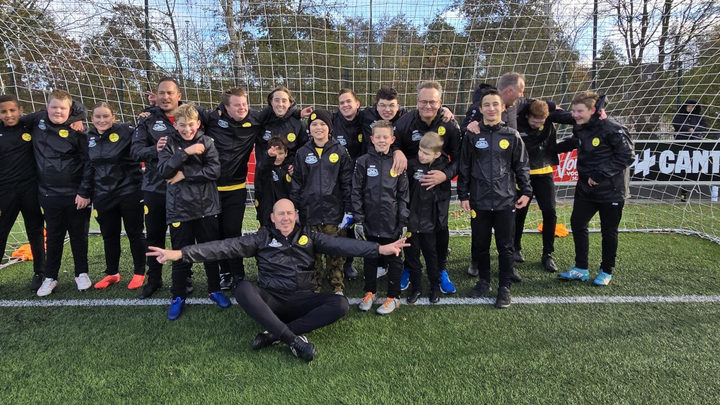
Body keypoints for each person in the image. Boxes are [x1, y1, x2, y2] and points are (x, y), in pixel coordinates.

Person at [146, 198, 409, 362]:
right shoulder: (261, 238)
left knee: (340, 305)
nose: (285, 218)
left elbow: (344, 245)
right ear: (272, 218)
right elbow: (223, 247)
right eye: (280, 214)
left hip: (304, 299)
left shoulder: (310, 236)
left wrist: (379, 249)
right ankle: (293, 340)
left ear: (296, 216)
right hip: (272, 301)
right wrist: (181, 253)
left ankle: (274, 335)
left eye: (289, 213)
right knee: (243, 288)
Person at [457, 88, 531, 308]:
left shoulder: (512, 135)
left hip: (505, 201)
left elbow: (522, 166)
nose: (491, 108)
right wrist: (463, 194)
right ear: (480, 109)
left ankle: (504, 288)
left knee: (505, 246)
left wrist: (526, 191)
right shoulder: (472, 135)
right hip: (479, 201)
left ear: (502, 107)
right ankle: (484, 281)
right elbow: (465, 166)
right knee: (480, 245)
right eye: (486, 105)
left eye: (495, 104)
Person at [556, 91, 634, 286]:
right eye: (574, 111)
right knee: (577, 223)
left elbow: (627, 155)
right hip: (586, 188)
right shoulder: (581, 126)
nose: (575, 115)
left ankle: (606, 271)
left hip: (611, 189)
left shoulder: (612, 128)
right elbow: (576, 141)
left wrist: (600, 174)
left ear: (592, 110)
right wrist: (552, 148)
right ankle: (581, 268)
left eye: (579, 111)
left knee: (609, 231)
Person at [157, 104, 227, 320]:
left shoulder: (207, 142)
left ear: (198, 124)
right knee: (180, 254)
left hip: (207, 207)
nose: (187, 129)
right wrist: (185, 152)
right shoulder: (169, 143)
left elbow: (214, 171)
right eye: (182, 125)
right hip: (179, 209)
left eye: (190, 124)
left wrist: (185, 174)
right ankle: (178, 296)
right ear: (175, 125)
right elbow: (164, 170)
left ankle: (214, 289)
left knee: (210, 251)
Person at [391, 80, 461, 295]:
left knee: (440, 227)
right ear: (417, 101)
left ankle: (440, 269)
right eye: (423, 101)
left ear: (440, 102)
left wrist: (445, 175)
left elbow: (460, 157)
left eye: (432, 102)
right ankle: (408, 268)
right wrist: (397, 151)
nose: (427, 106)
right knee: (410, 229)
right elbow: (393, 142)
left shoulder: (450, 124)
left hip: (439, 189)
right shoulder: (405, 123)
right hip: (412, 188)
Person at [26, 90, 92, 297]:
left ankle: (81, 273)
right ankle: (50, 277)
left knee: (79, 236)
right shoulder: (36, 121)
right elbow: (13, 119)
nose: (57, 111)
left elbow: (89, 162)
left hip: (76, 194)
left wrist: (84, 192)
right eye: (54, 107)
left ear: (70, 110)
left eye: (62, 108)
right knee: (54, 237)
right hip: (48, 193)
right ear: (46, 108)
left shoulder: (78, 129)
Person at [196, 88, 264, 290]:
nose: (242, 108)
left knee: (233, 233)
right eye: (237, 105)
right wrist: (152, 110)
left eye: (244, 104)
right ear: (226, 107)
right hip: (210, 188)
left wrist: (298, 112)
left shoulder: (256, 119)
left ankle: (238, 274)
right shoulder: (212, 118)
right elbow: (189, 111)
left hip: (236, 188)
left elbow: (279, 112)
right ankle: (224, 272)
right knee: (214, 234)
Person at [290, 110, 353, 294]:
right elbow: (297, 183)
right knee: (312, 254)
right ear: (309, 128)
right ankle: (315, 287)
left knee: (335, 254)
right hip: (309, 213)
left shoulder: (340, 151)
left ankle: (337, 287)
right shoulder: (302, 152)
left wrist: (348, 210)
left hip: (334, 213)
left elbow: (347, 183)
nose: (318, 128)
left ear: (330, 127)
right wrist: (295, 209)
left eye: (322, 124)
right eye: (314, 124)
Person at [131, 77, 183, 299]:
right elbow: (135, 152)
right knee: (154, 236)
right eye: (162, 93)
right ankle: (154, 280)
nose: (166, 97)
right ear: (156, 95)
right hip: (154, 188)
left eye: (170, 93)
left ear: (179, 96)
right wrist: (155, 149)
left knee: (181, 238)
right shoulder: (147, 119)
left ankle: (183, 280)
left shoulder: (191, 115)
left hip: (182, 188)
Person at [353, 120, 410, 315]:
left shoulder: (397, 163)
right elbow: (356, 192)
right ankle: (370, 293)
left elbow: (403, 195)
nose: (382, 140)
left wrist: (403, 220)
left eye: (385, 137)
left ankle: (393, 297)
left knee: (394, 258)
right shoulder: (362, 162)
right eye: (378, 137)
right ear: (372, 139)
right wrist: (359, 219)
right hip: (369, 220)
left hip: (391, 222)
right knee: (370, 257)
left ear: (392, 139)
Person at [87, 102, 147, 290]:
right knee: (109, 235)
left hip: (129, 191)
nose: (102, 120)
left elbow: (145, 132)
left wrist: (148, 114)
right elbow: (88, 166)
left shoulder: (126, 131)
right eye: (98, 116)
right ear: (92, 119)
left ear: (113, 118)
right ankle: (112, 273)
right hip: (103, 194)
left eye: (106, 116)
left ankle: (139, 272)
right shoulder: (88, 137)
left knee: (135, 233)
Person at [512, 100, 575, 273]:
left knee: (550, 212)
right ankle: (515, 247)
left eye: (541, 122)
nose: (537, 125)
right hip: (522, 175)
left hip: (544, 173)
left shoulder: (549, 117)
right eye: (534, 122)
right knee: (519, 213)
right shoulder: (516, 119)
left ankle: (547, 254)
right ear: (527, 116)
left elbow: (571, 117)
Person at [0, 94, 46, 291]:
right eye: (3, 111)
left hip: (30, 189)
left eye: (12, 110)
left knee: (35, 230)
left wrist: (76, 119)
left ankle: (40, 273)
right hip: (5, 191)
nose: (8, 115)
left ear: (21, 110)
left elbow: (59, 109)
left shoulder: (30, 125)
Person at [405, 132, 450, 304]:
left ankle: (435, 287)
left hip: (430, 224)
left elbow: (444, 196)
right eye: (420, 151)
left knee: (431, 256)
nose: (421, 155)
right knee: (412, 257)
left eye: (426, 153)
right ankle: (416, 288)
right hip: (411, 222)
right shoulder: (411, 166)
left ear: (437, 154)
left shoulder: (442, 170)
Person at [254, 136, 291, 227]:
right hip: (267, 211)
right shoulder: (264, 167)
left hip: (285, 212)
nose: (277, 157)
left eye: (280, 153)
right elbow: (263, 169)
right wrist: (269, 157)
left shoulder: (289, 169)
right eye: (275, 153)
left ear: (286, 153)